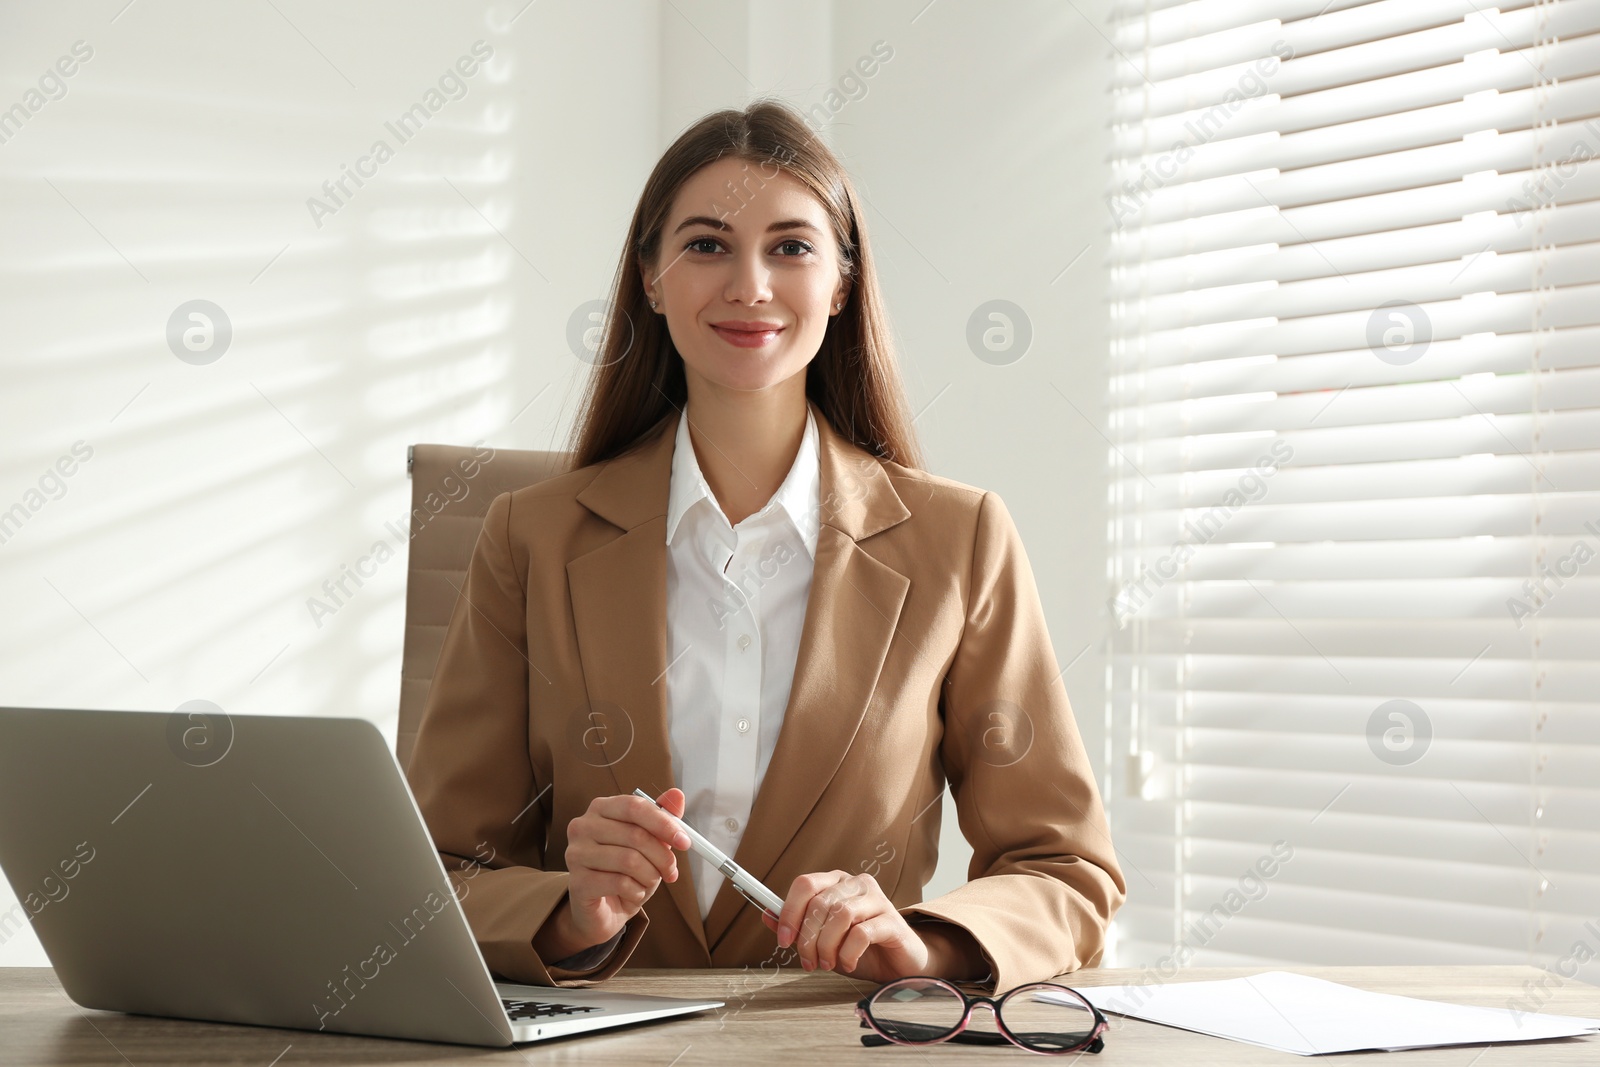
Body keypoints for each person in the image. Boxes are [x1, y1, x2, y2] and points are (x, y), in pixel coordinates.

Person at [405, 98, 1124, 994]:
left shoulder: (960, 541)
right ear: (652, 279)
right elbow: (434, 873)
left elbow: (1064, 871)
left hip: (848, 1044)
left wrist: (919, 942)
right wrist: (568, 910)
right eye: (707, 244)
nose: (750, 284)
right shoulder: (531, 539)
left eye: (791, 247)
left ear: (842, 284)